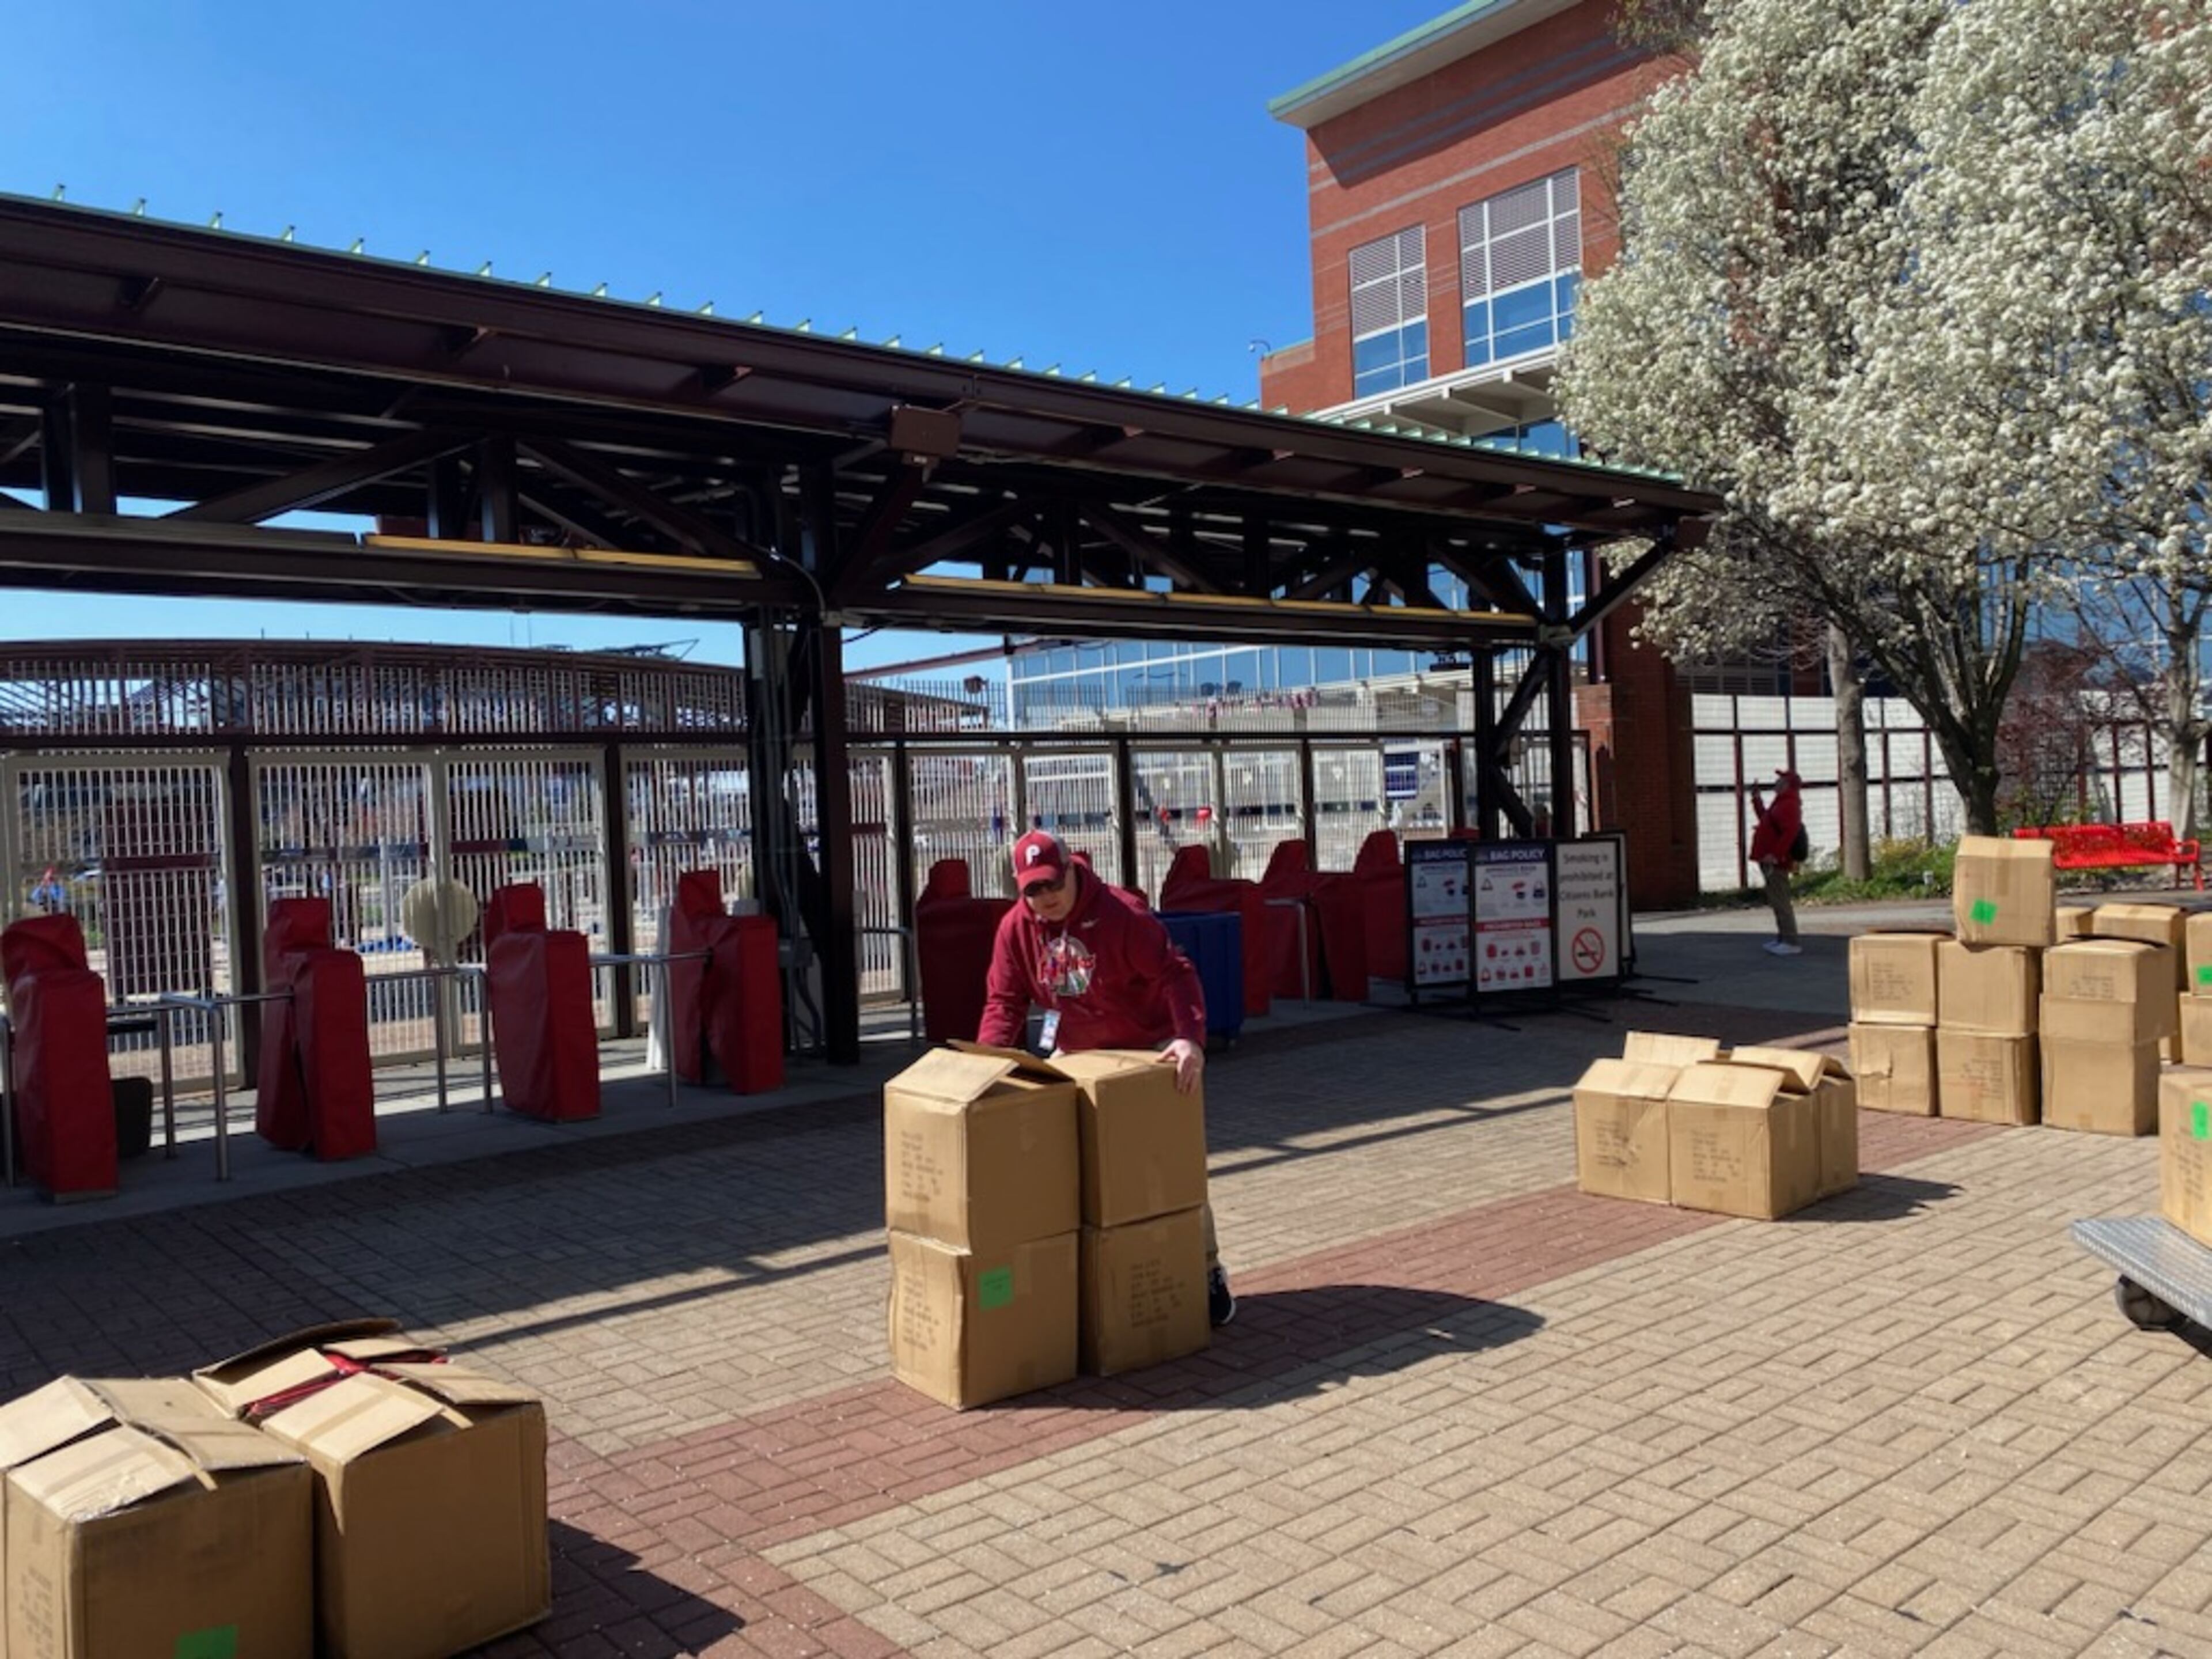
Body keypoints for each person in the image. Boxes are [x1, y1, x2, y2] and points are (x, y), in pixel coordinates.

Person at [979, 829, 1236, 1326]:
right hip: (1079, 1052)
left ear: (1072, 871)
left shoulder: (1121, 916)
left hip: (1146, 1051)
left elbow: (1175, 973)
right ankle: (1085, 1279)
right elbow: (1004, 1001)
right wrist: (989, 1064)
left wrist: (1189, 1039)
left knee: (1168, 1168)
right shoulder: (1016, 929)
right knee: (1070, 1168)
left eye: (1053, 884)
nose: (1046, 898)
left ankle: (1203, 1267)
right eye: (1033, 890)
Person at [1748, 767, 1805, 956]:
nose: (1776, 782)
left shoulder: (1789, 804)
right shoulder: (1781, 803)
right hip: (1769, 858)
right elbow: (1766, 820)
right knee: (1776, 899)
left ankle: (1790, 940)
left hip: (1776, 861)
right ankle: (1783, 938)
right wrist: (1756, 800)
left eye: (1780, 780)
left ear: (1788, 784)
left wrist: (1777, 854)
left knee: (1781, 900)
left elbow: (1790, 832)